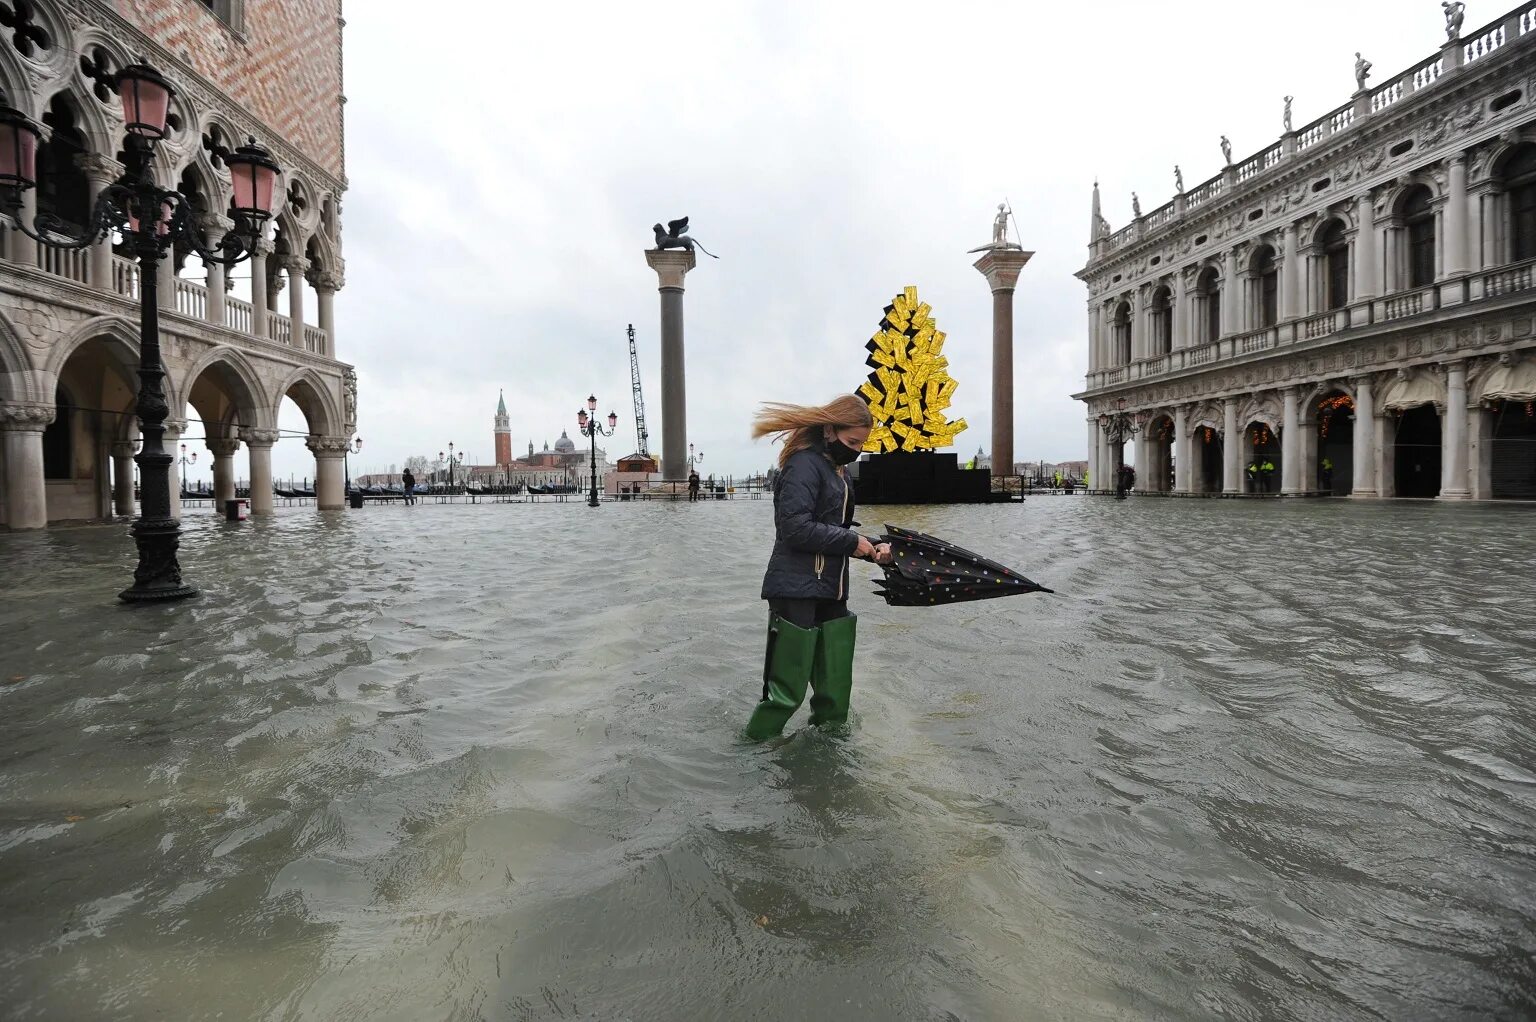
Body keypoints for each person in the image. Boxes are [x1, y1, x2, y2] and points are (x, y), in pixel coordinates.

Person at [746, 394, 892, 739]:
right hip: (794, 589)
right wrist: (850, 542)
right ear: (829, 430)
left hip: (830, 588)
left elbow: (835, 531)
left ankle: (830, 754)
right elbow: (794, 527)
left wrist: (871, 547)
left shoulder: (837, 472)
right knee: (785, 694)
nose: (856, 450)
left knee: (835, 691)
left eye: (861, 444)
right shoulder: (803, 465)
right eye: (852, 441)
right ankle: (755, 754)